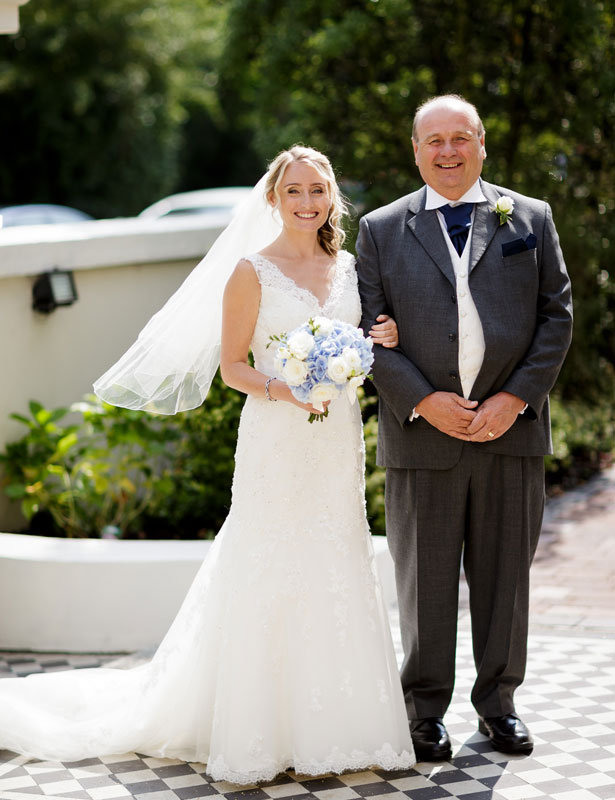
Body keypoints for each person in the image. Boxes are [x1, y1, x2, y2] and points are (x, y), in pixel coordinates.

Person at [0, 146, 414, 784]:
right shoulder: (252, 271)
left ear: (333, 197)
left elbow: (357, 342)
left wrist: (372, 342)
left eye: (318, 191)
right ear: (273, 199)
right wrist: (288, 388)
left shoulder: (348, 266)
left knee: (335, 560)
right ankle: (259, 732)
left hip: (334, 441)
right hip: (277, 434)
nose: (308, 202)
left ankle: (338, 726)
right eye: (295, 191)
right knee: (269, 558)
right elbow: (233, 368)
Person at [356, 95, 573, 761]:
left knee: (505, 578)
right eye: (433, 141)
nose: (446, 152)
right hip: (421, 437)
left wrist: (513, 398)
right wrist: (424, 401)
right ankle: (423, 711)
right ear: (414, 150)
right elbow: (369, 334)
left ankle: (498, 705)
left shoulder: (527, 215)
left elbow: (555, 316)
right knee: (421, 582)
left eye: (459, 138)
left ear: (480, 144)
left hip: (510, 432)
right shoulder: (380, 228)